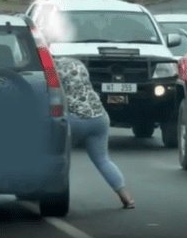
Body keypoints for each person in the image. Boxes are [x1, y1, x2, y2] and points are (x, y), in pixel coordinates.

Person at [53, 56, 135, 209]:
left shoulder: (52, 68)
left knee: (59, 157)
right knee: (103, 160)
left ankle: (51, 193)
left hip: (74, 119)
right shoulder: (77, 63)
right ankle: (126, 197)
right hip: (99, 117)